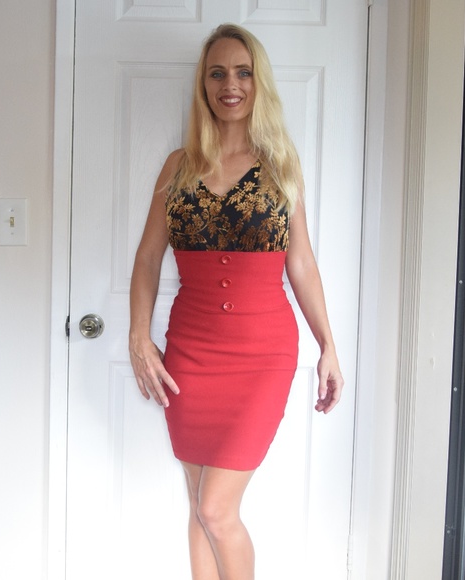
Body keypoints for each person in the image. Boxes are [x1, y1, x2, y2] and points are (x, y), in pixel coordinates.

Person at [129, 23, 344, 580]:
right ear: (203, 84)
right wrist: (138, 337)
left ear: (258, 83)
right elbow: (149, 258)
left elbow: (302, 263)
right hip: (191, 354)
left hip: (261, 355)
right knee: (198, 505)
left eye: (243, 73)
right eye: (218, 73)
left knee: (215, 510)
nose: (231, 85)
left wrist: (328, 345)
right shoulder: (178, 167)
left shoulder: (281, 165)